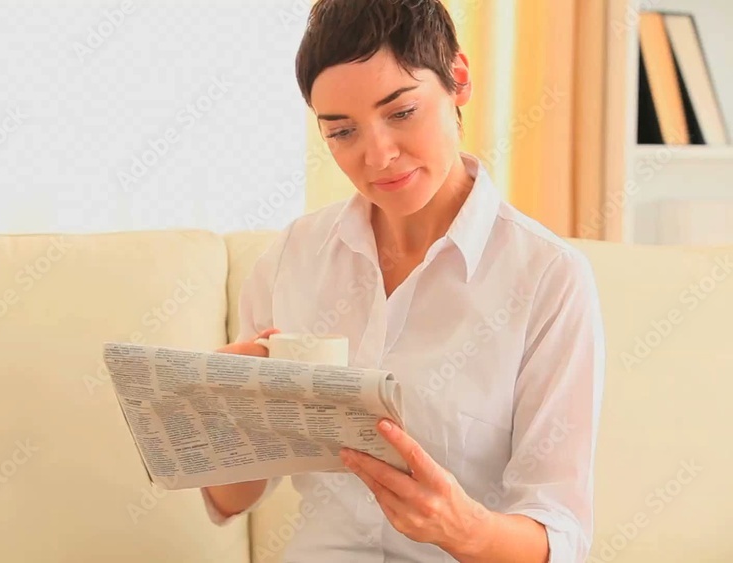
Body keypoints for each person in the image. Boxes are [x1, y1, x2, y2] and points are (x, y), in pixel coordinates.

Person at [201, 0, 606, 561]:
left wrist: (462, 529)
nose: (379, 155)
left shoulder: (548, 280)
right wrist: (228, 415)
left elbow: (558, 537)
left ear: (458, 79)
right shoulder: (293, 257)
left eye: (401, 112)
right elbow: (229, 498)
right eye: (342, 132)